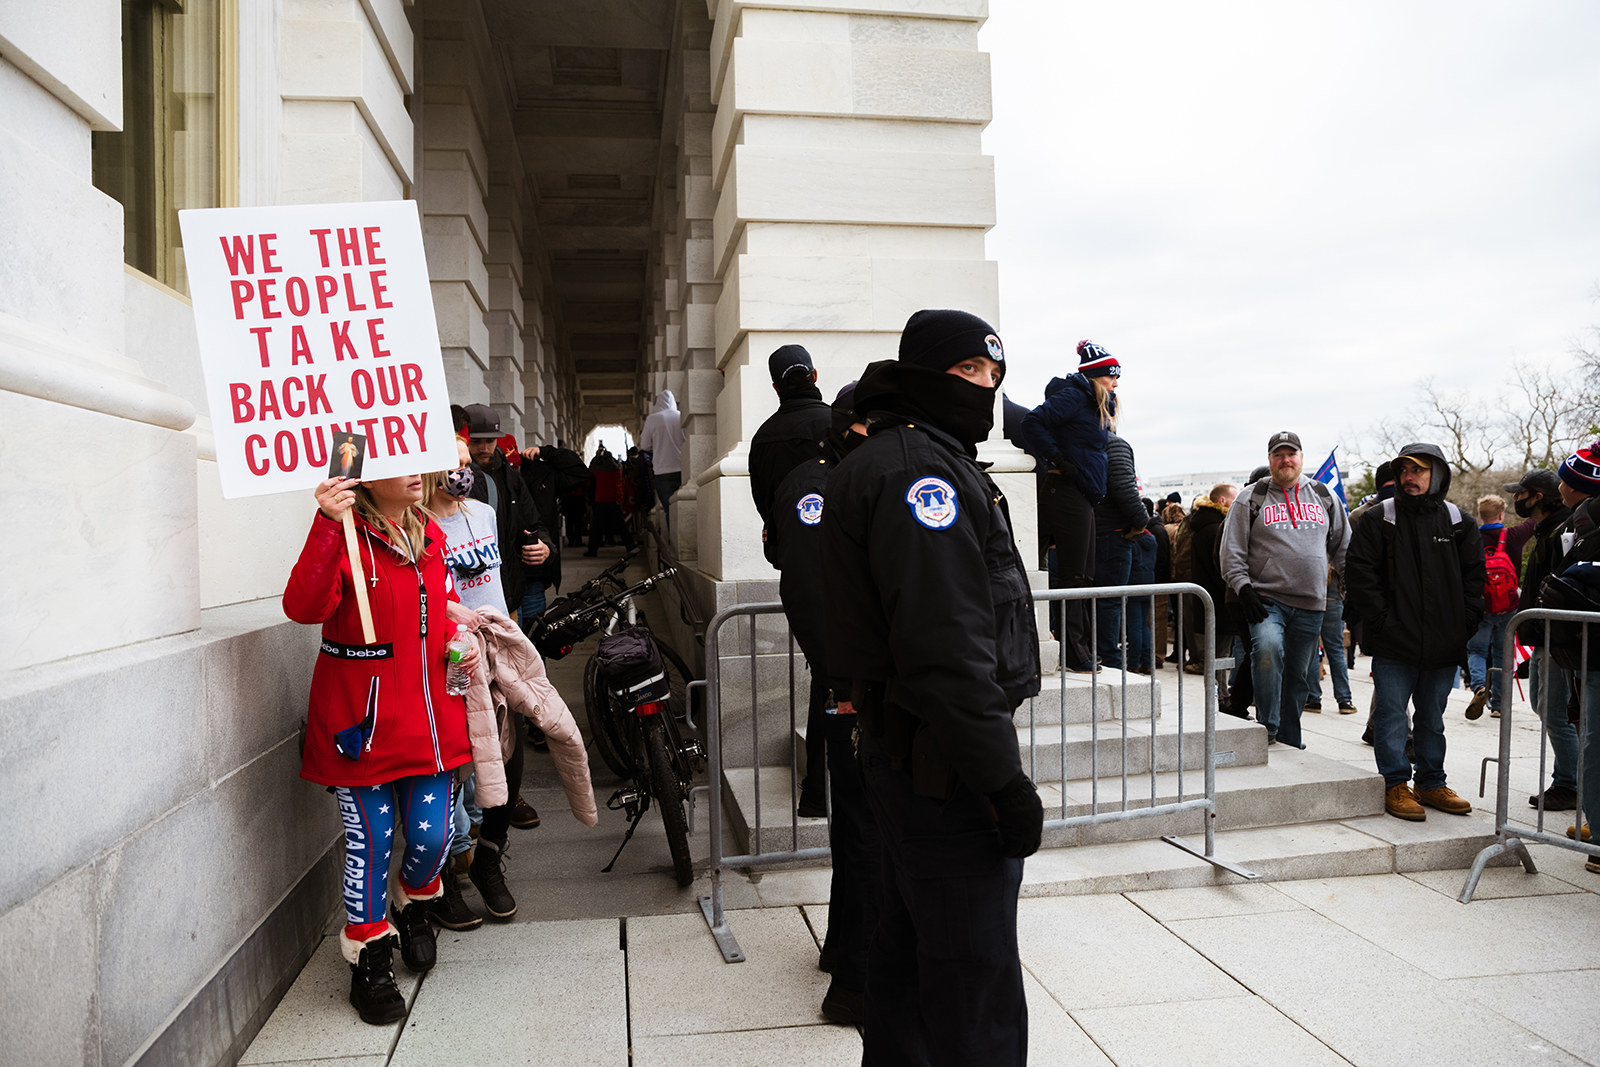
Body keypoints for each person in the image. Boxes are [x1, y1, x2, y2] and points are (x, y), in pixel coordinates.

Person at [822, 308, 1042, 1066]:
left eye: (993, 376)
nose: (985, 388)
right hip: (942, 768)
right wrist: (1002, 780)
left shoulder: (908, 458)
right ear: (924, 376)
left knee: (910, 970)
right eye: (968, 373)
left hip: (909, 752)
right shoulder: (922, 475)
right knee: (972, 992)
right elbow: (945, 651)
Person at [282, 472, 478, 1025]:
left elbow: (433, 604)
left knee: (433, 835)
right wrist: (325, 524)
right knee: (371, 840)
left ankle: (416, 904)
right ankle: (368, 956)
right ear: (366, 477)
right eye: (403, 461)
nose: (420, 472)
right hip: (359, 726)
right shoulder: (343, 533)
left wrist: (454, 624)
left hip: (430, 721)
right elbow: (302, 606)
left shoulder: (429, 533)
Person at [764, 382, 881, 1026]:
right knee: (864, 832)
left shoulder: (846, 476)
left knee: (863, 829)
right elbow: (806, 586)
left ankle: (845, 953)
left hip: (858, 683)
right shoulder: (816, 484)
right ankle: (855, 981)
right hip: (852, 687)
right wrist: (845, 679)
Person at [1344, 444, 1481, 821]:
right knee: (1391, 716)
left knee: (1432, 717)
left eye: (1419, 470)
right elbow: (1360, 576)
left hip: (1443, 641)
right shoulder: (1378, 518)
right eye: (1404, 470)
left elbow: (1475, 580)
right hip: (1394, 642)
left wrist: (1463, 624)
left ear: (1436, 473)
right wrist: (1383, 624)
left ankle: (1432, 782)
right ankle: (1394, 783)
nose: (1410, 477)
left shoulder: (1459, 522)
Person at [424, 439, 525, 925]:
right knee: (458, 764)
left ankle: (488, 859)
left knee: (510, 754)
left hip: (497, 648)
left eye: (467, 465)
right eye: (454, 465)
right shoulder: (418, 525)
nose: (463, 474)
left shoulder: (483, 513)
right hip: (452, 656)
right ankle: (445, 875)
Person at [1219, 433, 1350, 748]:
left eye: (1291, 454)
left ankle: (1290, 736)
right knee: (1266, 651)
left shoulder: (1324, 495)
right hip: (1266, 601)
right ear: (1270, 460)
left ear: (1301, 458)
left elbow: (1344, 548)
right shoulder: (1250, 498)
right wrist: (1243, 588)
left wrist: (1352, 590)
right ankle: (1269, 727)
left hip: (1312, 604)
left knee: (1298, 675)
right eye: (1279, 455)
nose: (1285, 460)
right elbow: (1231, 552)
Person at [750, 343, 835, 813]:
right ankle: (821, 789)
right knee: (834, 678)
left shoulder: (763, 438)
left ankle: (817, 790)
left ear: (776, 385)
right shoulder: (835, 425)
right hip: (841, 568)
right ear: (816, 373)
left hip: (799, 574)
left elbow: (768, 510)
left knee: (826, 676)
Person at [1017, 340, 1119, 670]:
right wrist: (1058, 459)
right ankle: (1075, 653)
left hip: (1080, 493)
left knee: (1084, 576)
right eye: (1111, 378)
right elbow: (1031, 422)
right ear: (1095, 377)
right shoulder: (1074, 396)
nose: (1115, 384)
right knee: (1076, 576)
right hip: (1066, 492)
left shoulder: (1093, 403)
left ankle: (1080, 648)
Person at [1539, 442, 1600, 861]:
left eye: (1566, 479)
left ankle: (1597, 834)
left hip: (1593, 650)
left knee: (1592, 740)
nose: (1560, 484)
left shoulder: (1586, 520)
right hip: (1585, 649)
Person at [1506, 468, 1578, 810]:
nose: (1516, 499)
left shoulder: (1564, 529)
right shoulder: (1546, 529)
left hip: (1556, 636)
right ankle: (1572, 777)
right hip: (1541, 635)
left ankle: (1570, 783)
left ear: (1538, 496)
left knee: (1555, 713)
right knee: (1542, 705)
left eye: (1521, 494)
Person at [1091, 429, 1150, 669]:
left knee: (1093, 601)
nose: (1114, 387)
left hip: (1089, 532)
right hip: (1112, 534)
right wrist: (1141, 521)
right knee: (1110, 603)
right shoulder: (1113, 444)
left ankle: (1097, 656)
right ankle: (1112, 663)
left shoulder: (1074, 441)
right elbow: (1125, 487)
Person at [1464, 493, 1519, 720]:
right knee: (1502, 654)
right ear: (1501, 514)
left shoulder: (1472, 538)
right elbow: (1533, 523)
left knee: (1476, 650)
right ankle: (1499, 705)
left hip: (1482, 604)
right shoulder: (1513, 536)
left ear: (1480, 516)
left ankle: (1479, 686)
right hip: (1508, 606)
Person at [1187, 483, 1239, 713]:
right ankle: (1222, 696)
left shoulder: (1200, 526)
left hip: (1207, 598)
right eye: (1234, 499)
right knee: (1221, 653)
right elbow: (1222, 567)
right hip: (1220, 598)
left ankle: (1218, 694)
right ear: (1222, 501)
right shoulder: (1217, 527)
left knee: (1216, 651)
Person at [1303, 569, 1357, 714]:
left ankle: (1313, 698)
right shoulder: (1336, 555)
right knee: (1336, 651)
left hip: (1313, 600)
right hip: (1334, 601)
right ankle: (1344, 700)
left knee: (1313, 651)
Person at [639, 389, 686, 528]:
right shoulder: (680, 416)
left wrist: (658, 446)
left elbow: (645, 445)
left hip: (662, 471)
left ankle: (673, 542)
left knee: (669, 510)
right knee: (684, 507)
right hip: (682, 469)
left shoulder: (653, 419)